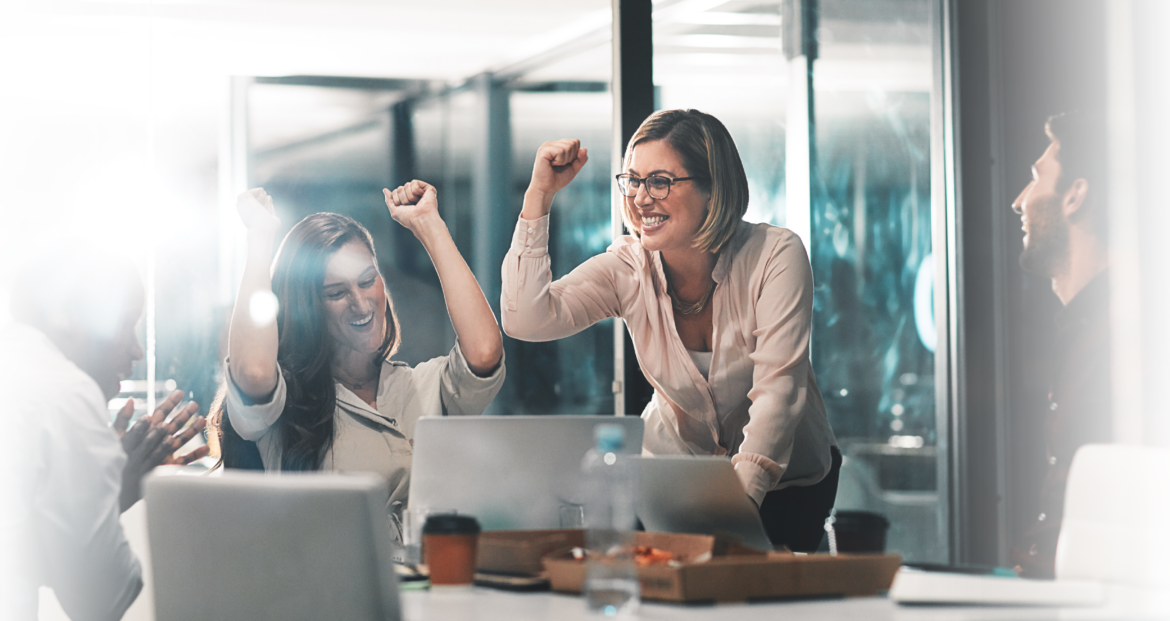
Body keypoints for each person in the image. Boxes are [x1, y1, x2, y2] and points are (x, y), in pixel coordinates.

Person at [501, 109, 839, 551]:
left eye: (660, 181)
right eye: (633, 180)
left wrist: (733, 510)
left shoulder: (775, 254)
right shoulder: (627, 267)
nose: (641, 198)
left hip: (787, 483)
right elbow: (525, 318)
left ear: (712, 188)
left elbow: (779, 394)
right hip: (678, 480)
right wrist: (539, 195)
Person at [207, 182, 504, 542]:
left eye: (367, 281)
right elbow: (253, 369)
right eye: (336, 293)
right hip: (334, 593)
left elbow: (485, 350)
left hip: (432, 590)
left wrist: (429, 224)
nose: (361, 304)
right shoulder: (284, 402)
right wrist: (259, 240)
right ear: (306, 307)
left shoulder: (421, 385)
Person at [0, 243, 208, 621]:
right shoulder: (65, 394)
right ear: (69, 316)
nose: (136, 350)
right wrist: (110, 492)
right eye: (126, 323)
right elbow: (102, 602)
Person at [1008, 110, 1170, 577]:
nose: (1020, 201)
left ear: (1075, 195)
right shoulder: (1094, 322)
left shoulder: (1141, 320)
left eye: (1036, 178)